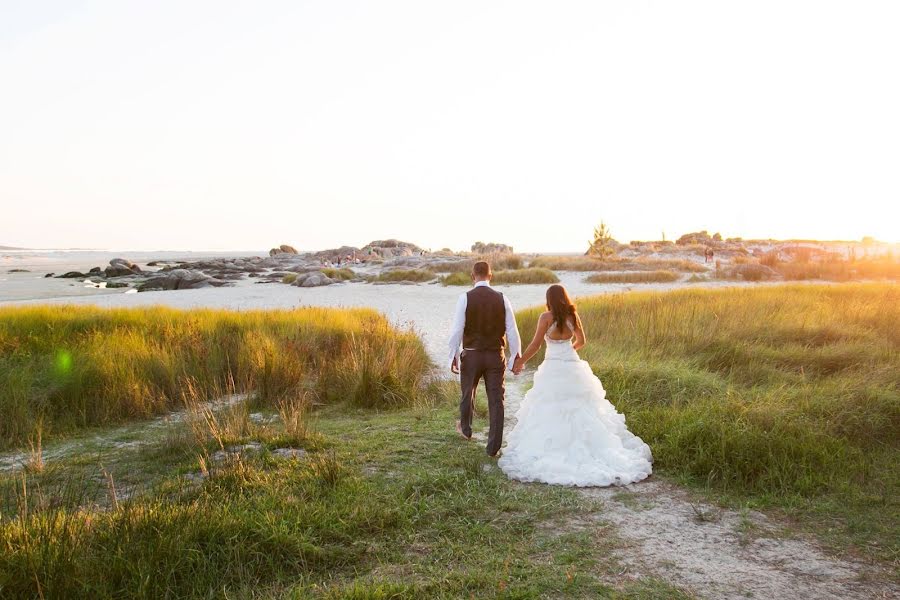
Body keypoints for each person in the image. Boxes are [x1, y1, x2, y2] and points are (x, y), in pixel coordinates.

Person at [499, 284, 653, 486]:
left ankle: (554, 447)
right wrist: (568, 350)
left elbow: (536, 345)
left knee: (550, 407)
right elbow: (581, 341)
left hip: (553, 366)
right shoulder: (573, 316)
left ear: (549, 299)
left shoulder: (545, 317)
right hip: (572, 363)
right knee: (583, 407)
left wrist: (520, 362)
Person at [448, 261, 522, 457]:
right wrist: (515, 357)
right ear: (491, 275)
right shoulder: (502, 298)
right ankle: (493, 448)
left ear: (473, 276)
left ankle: (466, 430)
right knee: (496, 400)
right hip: (495, 356)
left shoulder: (465, 298)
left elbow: (457, 330)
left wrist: (453, 356)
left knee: (467, 394)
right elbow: (512, 330)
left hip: (471, 354)